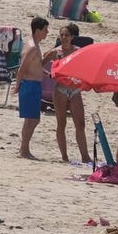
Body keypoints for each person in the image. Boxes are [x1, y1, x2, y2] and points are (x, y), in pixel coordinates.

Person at [42, 24, 90, 163]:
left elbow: (86, 67)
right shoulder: (55, 52)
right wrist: (49, 74)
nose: (63, 38)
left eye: (66, 35)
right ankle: (64, 156)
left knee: (80, 125)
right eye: (61, 35)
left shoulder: (78, 51)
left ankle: (85, 156)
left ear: (72, 37)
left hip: (75, 89)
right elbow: (40, 64)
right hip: (59, 90)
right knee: (61, 123)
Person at [11, 18, 48, 159]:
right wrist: (17, 86)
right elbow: (23, 68)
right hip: (30, 85)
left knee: (32, 119)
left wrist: (46, 72)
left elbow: (35, 65)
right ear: (38, 30)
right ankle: (24, 149)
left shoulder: (33, 44)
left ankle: (24, 148)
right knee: (32, 119)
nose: (47, 32)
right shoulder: (32, 47)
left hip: (33, 84)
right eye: (45, 29)